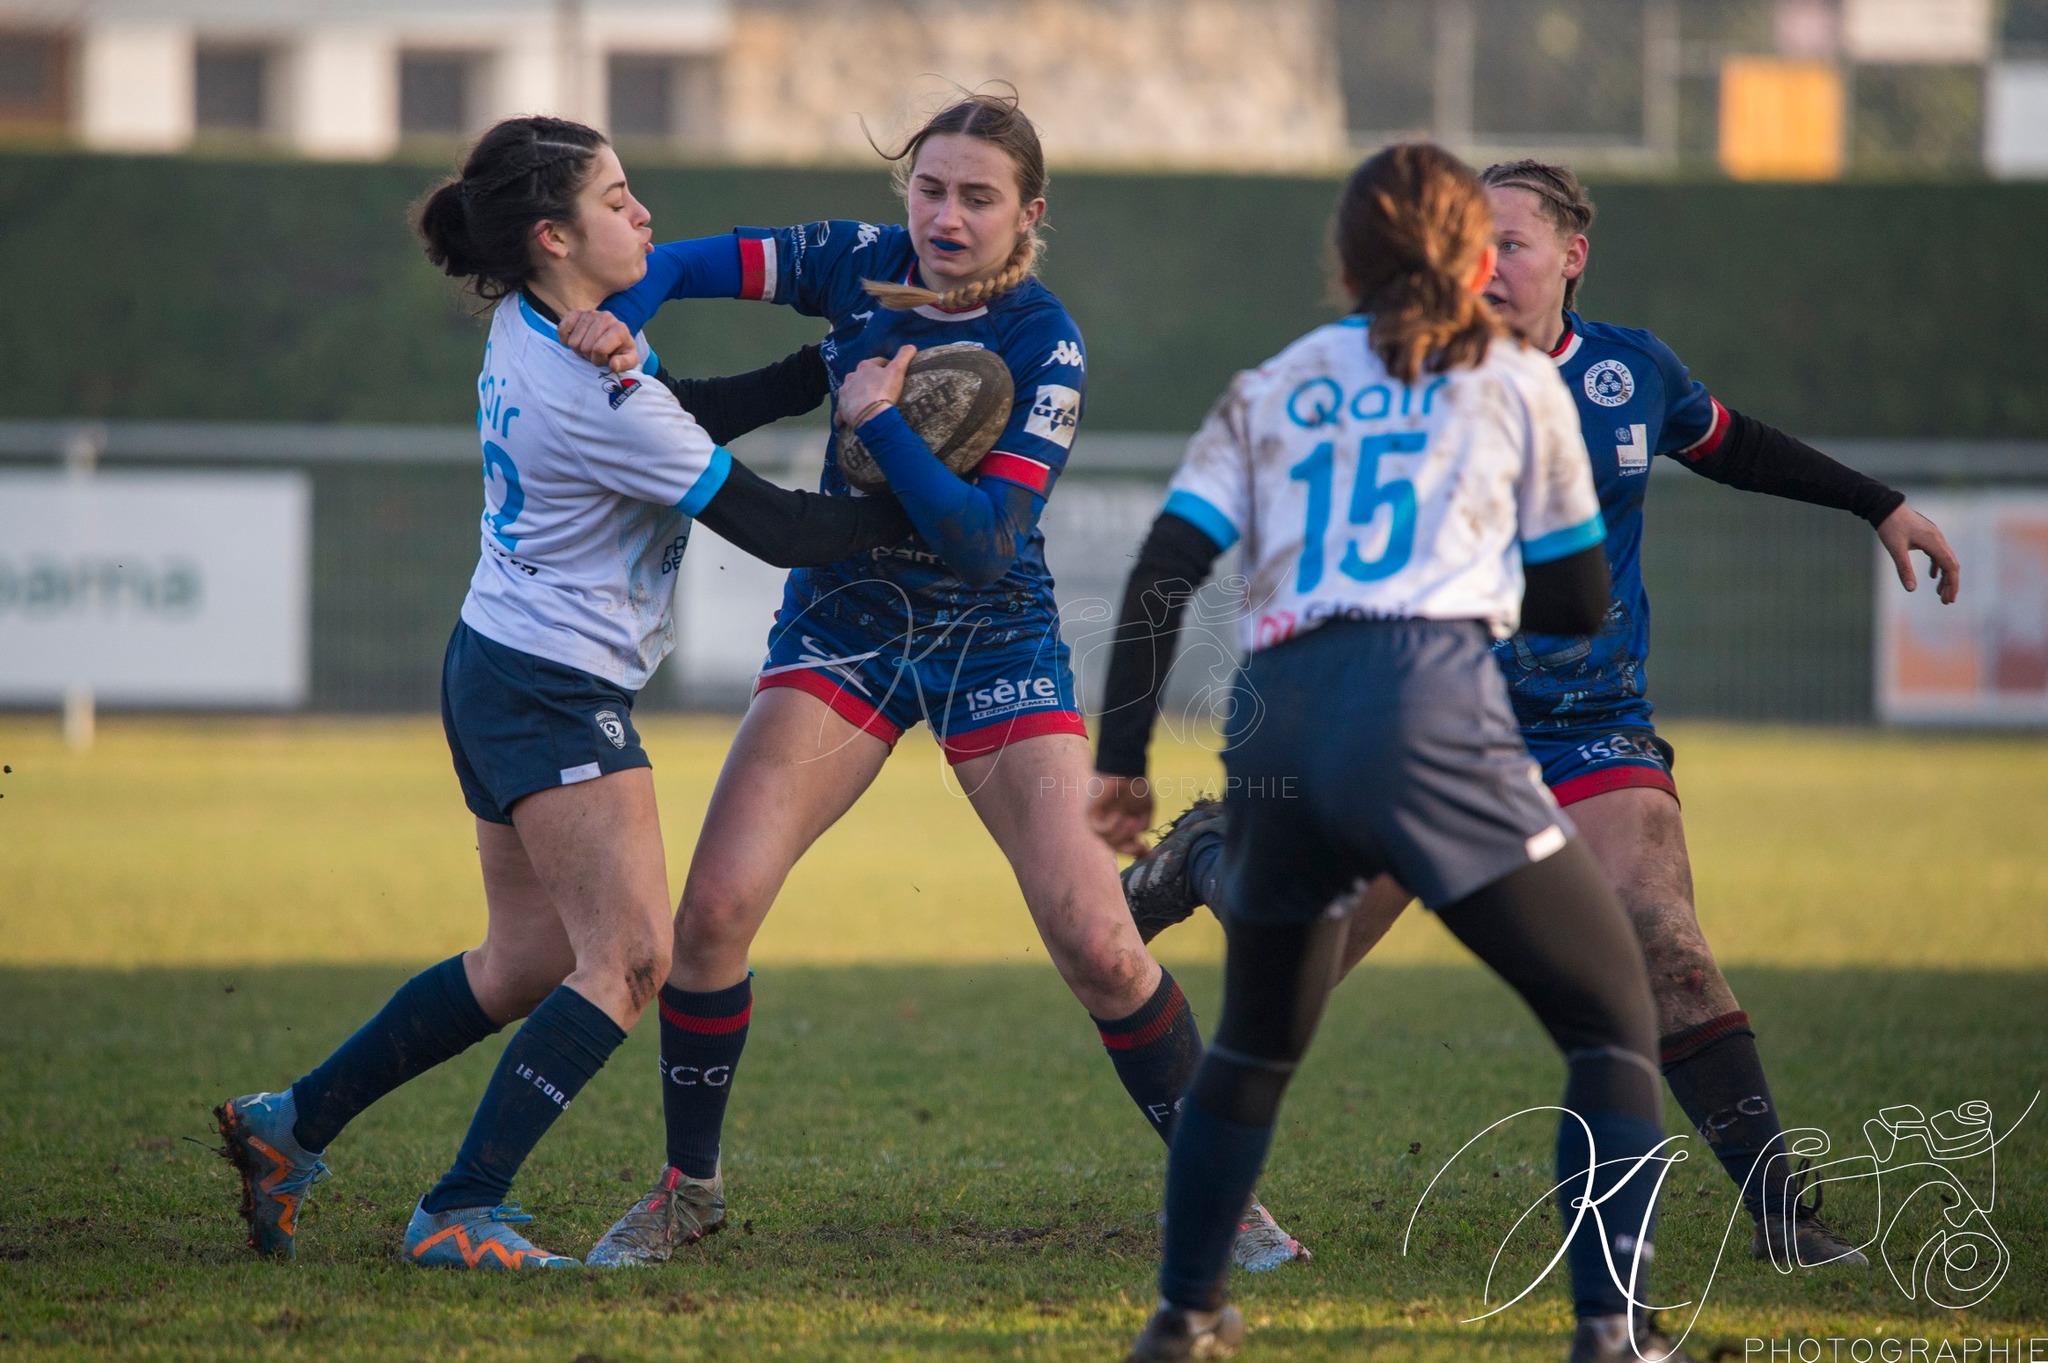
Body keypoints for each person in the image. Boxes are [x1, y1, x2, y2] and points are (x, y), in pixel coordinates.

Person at [1093, 158, 1962, 1270]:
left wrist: (1875, 503)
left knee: (1663, 947)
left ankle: (1782, 1215)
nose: (1487, 265)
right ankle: (1214, 962)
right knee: (1296, 978)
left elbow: (1732, 445)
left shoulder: (1623, 374)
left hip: (1585, 721)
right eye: (1471, 242)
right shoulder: (1405, 379)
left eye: (1512, 241)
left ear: (1570, 255)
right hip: (1418, 725)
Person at [552, 90, 1305, 1272]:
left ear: (1026, 213)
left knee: (1100, 943)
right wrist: (619, 320)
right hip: (843, 635)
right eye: (930, 188)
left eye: (977, 197)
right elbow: (683, 262)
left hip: (991, 646)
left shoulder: (1043, 343)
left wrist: (880, 423)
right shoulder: (856, 262)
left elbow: (984, 542)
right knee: (708, 916)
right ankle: (685, 1192)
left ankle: (1225, 1197)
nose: (946, 216)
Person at [213, 115, 915, 1269]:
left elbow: (671, 412)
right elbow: (781, 529)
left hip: (494, 662)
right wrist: (940, 515)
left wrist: (813, 374)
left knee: (522, 962)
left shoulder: (533, 324)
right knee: (632, 957)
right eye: (619, 197)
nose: (644, 215)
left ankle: (288, 1126)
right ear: (553, 235)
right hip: (550, 689)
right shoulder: (599, 399)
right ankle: (458, 1210)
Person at [1120, 142, 1686, 1363]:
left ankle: (1183, 1316)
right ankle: (1612, 1332)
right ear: (1475, 260)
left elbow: (1165, 573)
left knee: (1256, 1041)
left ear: (1345, 256)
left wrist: (1119, 765)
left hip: (1275, 719)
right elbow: (1580, 601)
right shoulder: (1517, 379)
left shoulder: (1271, 382)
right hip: (1425, 712)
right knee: (1608, 1021)